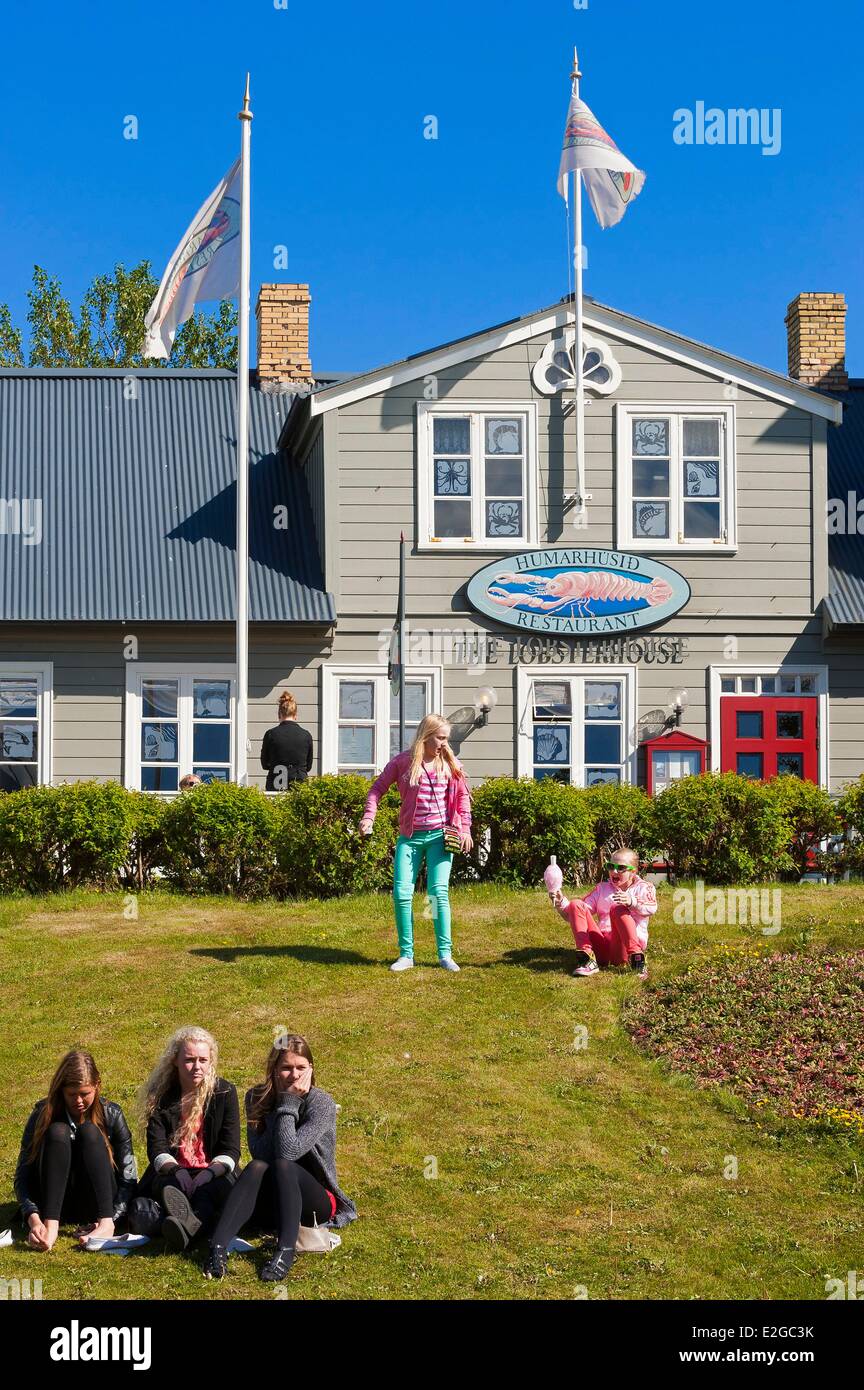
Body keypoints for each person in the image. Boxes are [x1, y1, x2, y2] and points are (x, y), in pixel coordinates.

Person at [203, 1033, 357, 1282]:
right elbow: (262, 1154)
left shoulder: (321, 1103)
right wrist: (281, 1103)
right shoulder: (256, 1098)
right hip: (273, 1199)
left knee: (284, 1166)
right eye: (286, 1068)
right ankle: (217, 1248)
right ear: (273, 1070)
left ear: (311, 1069)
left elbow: (289, 1152)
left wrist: (289, 1102)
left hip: (316, 1202)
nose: (294, 1075)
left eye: (300, 1067)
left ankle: (285, 1252)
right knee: (256, 1166)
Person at [359, 713, 472, 972]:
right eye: (440, 738)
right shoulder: (403, 762)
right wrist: (369, 817)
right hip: (410, 839)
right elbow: (377, 789)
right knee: (402, 894)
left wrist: (464, 829)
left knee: (436, 893)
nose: (444, 743)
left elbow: (464, 799)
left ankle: (444, 953)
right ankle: (406, 954)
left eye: (446, 738)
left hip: (440, 839)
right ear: (426, 736)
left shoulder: (451, 764)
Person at [14, 1050, 136, 1251]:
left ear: (97, 1085)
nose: (78, 1101)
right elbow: (22, 1176)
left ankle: (105, 1224)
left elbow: (128, 1177)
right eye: (72, 1094)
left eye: (85, 1094)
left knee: (89, 1131)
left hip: (96, 1203)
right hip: (51, 1203)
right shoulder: (41, 1115)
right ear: (61, 1090)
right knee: (57, 1131)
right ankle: (50, 1227)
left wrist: (113, 1217)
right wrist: (34, 1219)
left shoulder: (113, 1114)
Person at [136, 1026, 240, 1251]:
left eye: (203, 1060)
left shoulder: (224, 1092)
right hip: (173, 1171)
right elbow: (157, 1148)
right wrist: (176, 1171)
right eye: (190, 1060)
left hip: (214, 1171)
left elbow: (231, 1149)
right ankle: (196, 1227)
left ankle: (185, 1229)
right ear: (175, 1061)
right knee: (170, 1188)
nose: (197, 1067)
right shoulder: (160, 1096)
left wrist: (209, 1173)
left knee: (208, 1190)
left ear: (211, 1060)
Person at [549, 848, 657, 980]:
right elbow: (576, 914)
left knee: (618, 909)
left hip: (623, 947)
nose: (614, 871)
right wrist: (560, 902)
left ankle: (637, 960)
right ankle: (587, 958)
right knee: (576, 904)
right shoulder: (602, 888)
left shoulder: (645, 887)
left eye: (621, 868)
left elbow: (651, 908)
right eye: (611, 866)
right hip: (602, 947)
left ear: (633, 871)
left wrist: (631, 902)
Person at [260, 690, 314, 791]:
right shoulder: (306, 735)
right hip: (300, 784)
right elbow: (308, 766)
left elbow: (264, 763)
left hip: (276, 782)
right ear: (295, 715)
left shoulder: (271, 734)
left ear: (279, 714)